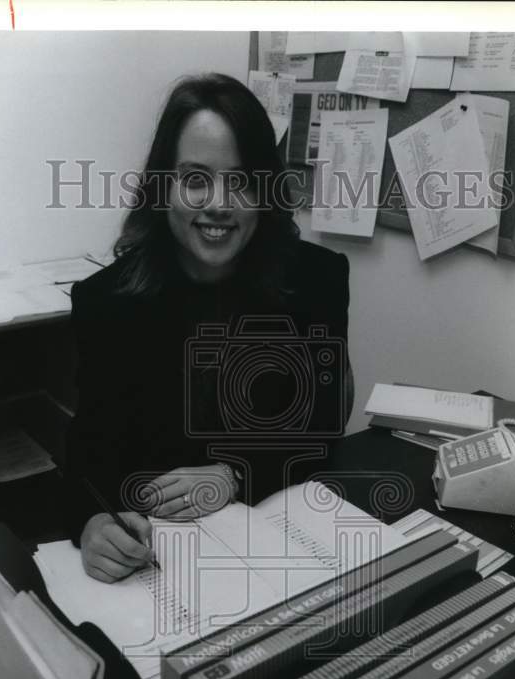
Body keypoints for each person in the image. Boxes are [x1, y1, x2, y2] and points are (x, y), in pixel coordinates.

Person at [64, 73, 353, 582]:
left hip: (282, 541)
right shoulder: (105, 303)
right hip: (160, 565)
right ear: (163, 188)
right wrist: (89, 524)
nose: (218, 203)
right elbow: (88, 459)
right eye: (196, 178)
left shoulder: (316, 280)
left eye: (240, 180)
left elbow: (322, 419)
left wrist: (234, 474)